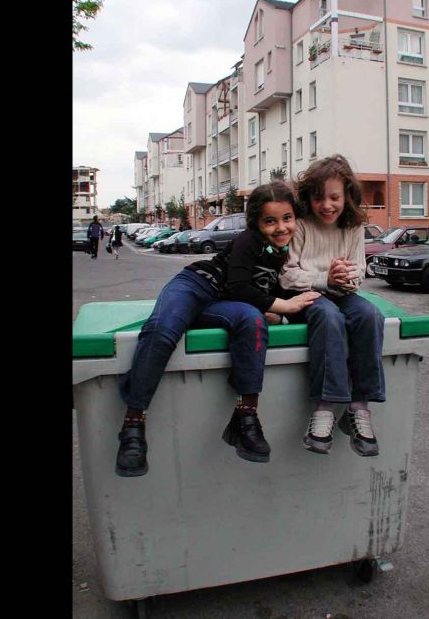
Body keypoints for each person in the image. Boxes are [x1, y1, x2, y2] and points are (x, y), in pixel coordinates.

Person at [115, 182, 321, 477]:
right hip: (195, 287)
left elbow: (268, 295)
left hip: (225, 306)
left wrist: (279, 312)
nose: (280, 227)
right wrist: (283, 307)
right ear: (256, 223)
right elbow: (239, 285)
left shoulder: (290, 251)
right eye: (270, 221)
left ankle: (245, 419)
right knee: (163, 330)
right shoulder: (249, 241)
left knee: (253, 321)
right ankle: (133, 424)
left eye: (287, 218)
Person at [280, 155, 386, 457]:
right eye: (318, 198)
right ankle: (325, 406)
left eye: (334, 197)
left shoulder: (353, 228)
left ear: (347, 196)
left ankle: (358, 405)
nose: (326, 205)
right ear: (308, 198)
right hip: (308, 294)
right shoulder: (300, 226)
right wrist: (325, 279)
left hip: (340, 292)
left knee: (369, 314)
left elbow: (359, 273)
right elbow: (288, 274)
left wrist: (346, 277)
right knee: (328, 317)